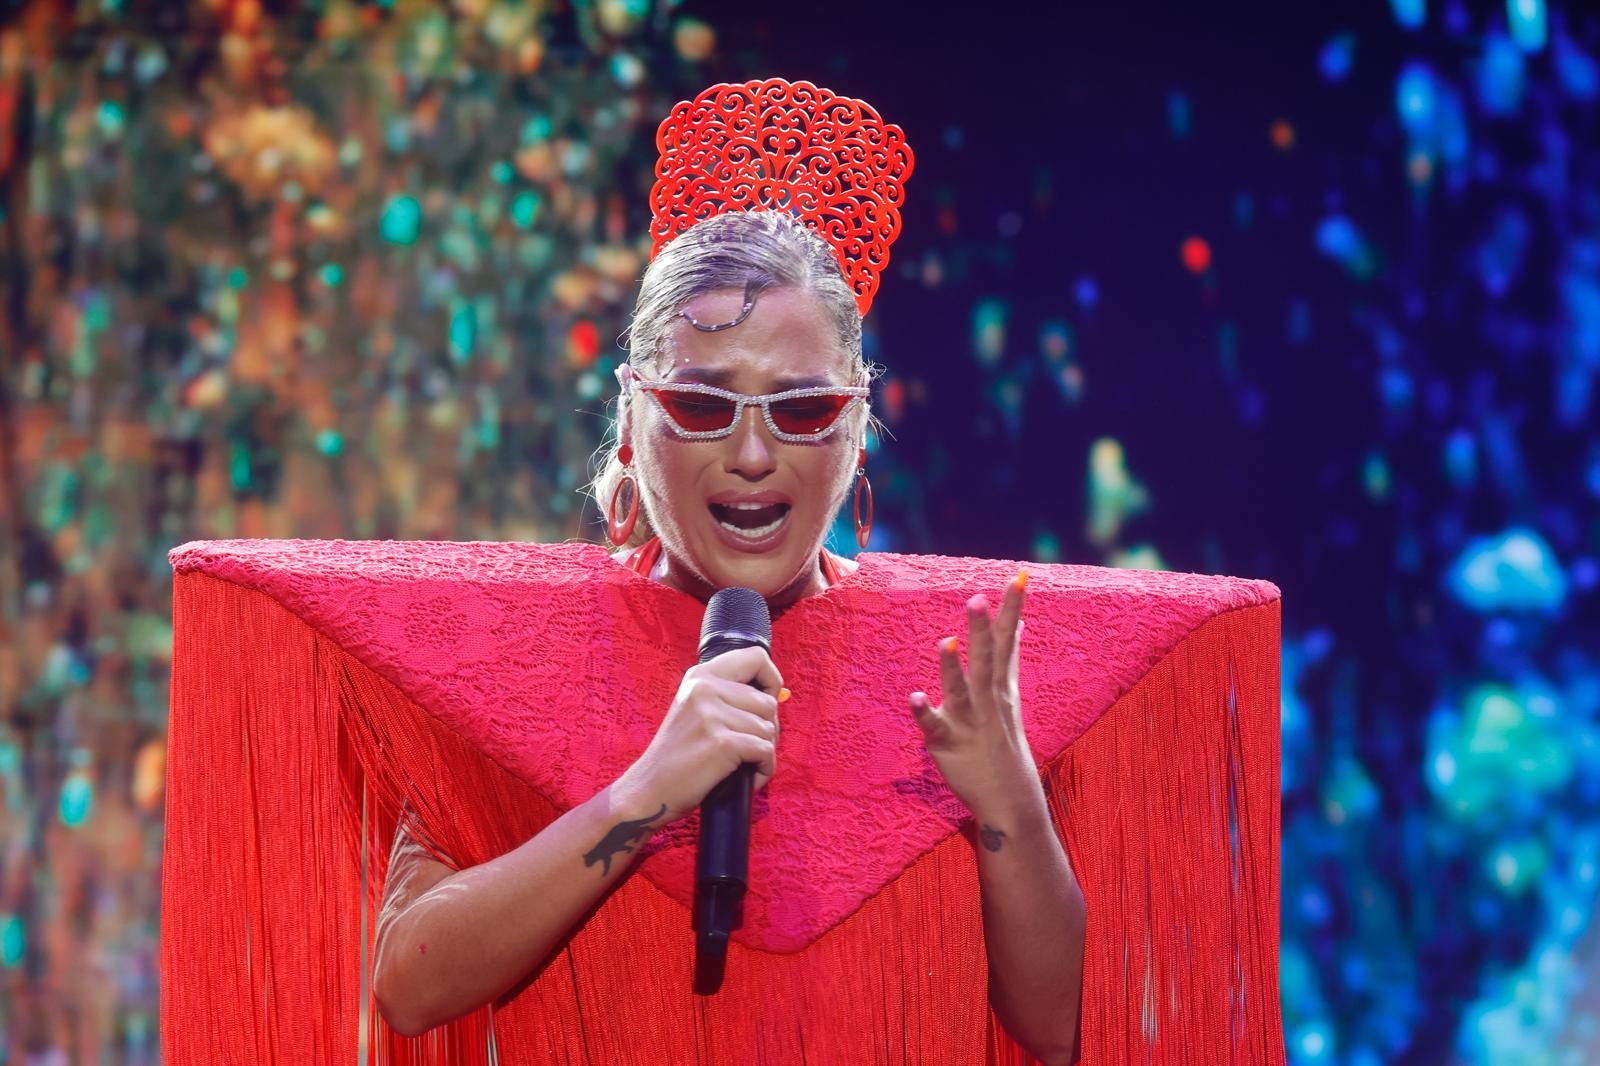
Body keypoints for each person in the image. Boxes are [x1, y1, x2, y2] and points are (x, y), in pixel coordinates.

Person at [371, 79, 1085, 1064]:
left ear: (861, 419)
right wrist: (646, 793)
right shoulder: (503, 650)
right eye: (703, 406)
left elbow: (1054, 1031)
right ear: (630, 411)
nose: (754, 456)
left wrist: (1009, 804)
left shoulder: (958, 669)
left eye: (801, 411)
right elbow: (407, 986)